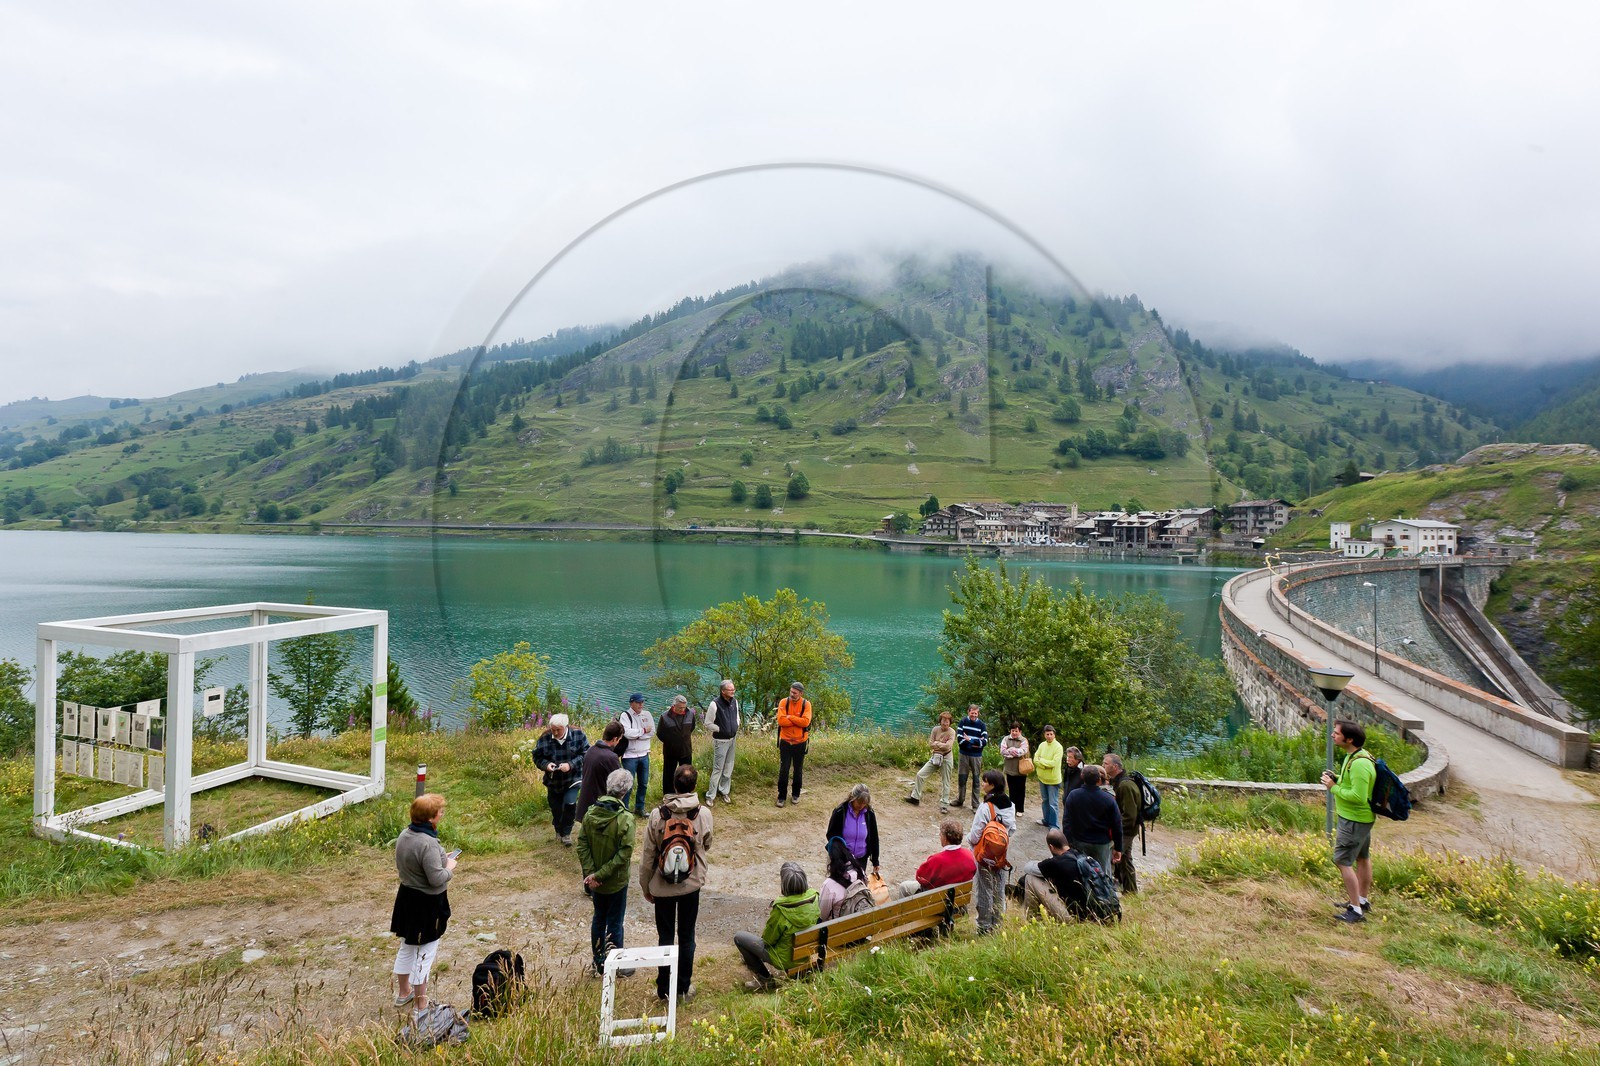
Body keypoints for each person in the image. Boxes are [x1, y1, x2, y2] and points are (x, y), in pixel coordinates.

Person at [639, 764, 713, 1002]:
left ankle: (664, 988)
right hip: (691, 884)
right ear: (694, 786)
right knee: (687, 935)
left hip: (662, 886)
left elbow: (648, 856)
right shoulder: (702, 814)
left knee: (666, 936)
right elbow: (707, 843)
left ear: (674, 784)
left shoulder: (658, 815)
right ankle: (683, 987)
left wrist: (646, 886)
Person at [390, 792, 456, 1016]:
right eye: (440, 812)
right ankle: (421, 1005)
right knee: (425, 952)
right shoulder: (427, 843)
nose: (442, 814)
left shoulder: (404, 835)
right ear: (431, 818)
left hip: (407, 898)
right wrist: (449, 867)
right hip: (427, 904)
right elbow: (436, 878)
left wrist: (439, 860)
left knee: (407, 946)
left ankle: (403, 993)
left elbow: (417, 865)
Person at [577, 769, 636, 975]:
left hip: (596, 883)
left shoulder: (590, 814)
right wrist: (600, 875)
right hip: (616, 882)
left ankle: (599, 962)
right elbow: (624, 854)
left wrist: (591, 874)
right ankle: (616, 965)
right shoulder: (626, 819)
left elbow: (582, 844)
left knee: (598, 919)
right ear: (626, 791)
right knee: (615, 923)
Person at [1321, 719, 1377, 923]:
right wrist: (1336, 777)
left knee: (1342, 861)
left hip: (1354, 820)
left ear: (1349, 739)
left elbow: (1358, 796)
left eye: (1336, 733)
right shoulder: (1354, 757)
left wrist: (1333, 787)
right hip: (1359, 820)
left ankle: (1355, 910)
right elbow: (1352, 784)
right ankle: (1362, 900)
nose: (1333, 735)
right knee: (1363, 858)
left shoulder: (1360, 764)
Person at [733, 861, 819, 991]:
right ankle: (801, 974)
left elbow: (768, 940)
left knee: (739, 937)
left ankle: (765, 979)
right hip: (807, 953)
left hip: (784, 959)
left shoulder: (781, 909)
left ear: (784, 884)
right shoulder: (815, 898)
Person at [965, 769, 1015, 935]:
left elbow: (975, 834)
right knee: (999, 888)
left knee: (985, 889)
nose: (983, 784)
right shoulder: (1010, 805)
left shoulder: (986, 807)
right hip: (1001, 854)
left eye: (985, 781)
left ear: (992, 785)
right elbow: (1012, 829)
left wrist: (969, 841)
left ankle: (984, 925)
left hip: (984, 855)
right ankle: (998, 922)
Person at [533, 713, 589, 845]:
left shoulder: (578, 735)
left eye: (558, 729)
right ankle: (558, 829)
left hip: (573, 778)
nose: (555, 732)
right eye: (553, 729)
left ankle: (567, 834)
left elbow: (586, 754)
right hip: (553, 781)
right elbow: (537, 757)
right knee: (556, 808)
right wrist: (546, 765)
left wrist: (570, 765)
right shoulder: (545, 738)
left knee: (570, 804)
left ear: (566, 726)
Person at [894, 818, 977, 898]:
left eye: (941, 834)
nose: (939, 836)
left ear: (945, 838)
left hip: (935, 900)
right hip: (957, 899)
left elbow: (920, 877)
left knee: (904, 887)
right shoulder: (969, 855)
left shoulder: (936, 860)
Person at [1064, 764, 1123, 876]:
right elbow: (1117, 825)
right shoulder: (1109, 799)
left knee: (1081, 872)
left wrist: (1068, 842)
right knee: (1103, 874)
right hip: (1101, 843)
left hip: (1079, 841)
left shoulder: (1073, 795)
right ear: (1099, 779)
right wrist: (1118, 848)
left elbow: (1067, 821)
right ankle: (1103, 893)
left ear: (1082, 777)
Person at [1018, 829, 1087, 922]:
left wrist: (1045, 862)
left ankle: (1032, 919)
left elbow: (1027, 867)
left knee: (1030, 878)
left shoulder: (1057, 862)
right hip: (1090, 915)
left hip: (1072, 917)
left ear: (1051, 847)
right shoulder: (1081, 855)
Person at [824, 783, 881, 877]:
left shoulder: (869, 814)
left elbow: (874, 838)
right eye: (859, 802)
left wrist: (875, 860)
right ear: (852, 797)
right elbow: (831, 835)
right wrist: (841, 852)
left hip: (861, 860)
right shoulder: (840, 811)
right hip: (842, 860)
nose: (861, 805)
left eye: (864, 803)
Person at [1103, 752, 1140, 895]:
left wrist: (1115, 829)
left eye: (1106, 763)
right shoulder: (1117, 782)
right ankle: (1128, 889)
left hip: (1127, 830)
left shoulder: (1125, 785)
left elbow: (1130, 816)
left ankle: (1127, 891)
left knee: (1117, 857)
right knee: (1124, 859)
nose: (1103, 765)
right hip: (1122, 828)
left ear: (1115, 766)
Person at [905, 710, 957, 812]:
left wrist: (937, 743)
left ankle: (944, 805)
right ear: (940, 721)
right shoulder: (935, 729)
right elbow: (930, 744)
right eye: (943, 721)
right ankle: (915, 797)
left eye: (947, 721)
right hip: (935, 757)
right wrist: (940, 744)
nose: (945, 723)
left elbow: (948, 746)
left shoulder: (952, 732)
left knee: (945, 782)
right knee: (920, 774)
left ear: (950, 722)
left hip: (946, 758)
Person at [576, 720, 624, 823]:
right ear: (615, 738)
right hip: (600, 807)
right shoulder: (611, 757)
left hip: (585, 804)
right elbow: (619, 783)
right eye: (619, 739)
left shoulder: (590, 750)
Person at [774, 681, 812, 808]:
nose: (792, 694)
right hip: (785, 742)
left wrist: (790, 717)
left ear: (801, 693)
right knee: (784, 769)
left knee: (798, 769)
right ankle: (781, 796)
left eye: (795, 693)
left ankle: (796, 794)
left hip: (800, 743)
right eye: (791, 692)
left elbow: (805, 722)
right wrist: (796, 720)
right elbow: (781, 720)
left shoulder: (806, 705)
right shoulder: (783, 702)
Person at [816, 836, 868, 921]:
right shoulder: (860, 872)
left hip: (838, 930)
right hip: (860, 921)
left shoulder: (829, 885)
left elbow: (822, 914)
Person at [619, 694, 655, 817]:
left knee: (643, 783)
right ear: (631, 703)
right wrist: (644, 731)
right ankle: (624, 810)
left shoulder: (647, 714)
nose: (641, 704)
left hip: (644, 754)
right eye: (638, 702)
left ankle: (640, 808)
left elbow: (653, 732)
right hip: (630, 755)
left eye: (642, 702)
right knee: (628, 784)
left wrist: (637, 735)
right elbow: (627, 733)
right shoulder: (625, 716)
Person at [706, 679, 740, 806]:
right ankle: (710, 795)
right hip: (720, 741)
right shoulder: (714, 704)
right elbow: (708, 723)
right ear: (723, 691)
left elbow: (737, 717)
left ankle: (724, 790)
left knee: (728, 767)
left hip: (732, 740)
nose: (733, 692)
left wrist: (736, 725)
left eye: (733, 689)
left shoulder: (734, 702)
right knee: (718, 769)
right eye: (730, 690)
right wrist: (720, 729)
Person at [657, 694, 697, 792]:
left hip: (686, 750)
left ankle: (686, 793)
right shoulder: (665, 716)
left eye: (684, 707)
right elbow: (660, 734)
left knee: (687, 774)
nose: (682, 710)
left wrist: (683, 739)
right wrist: (671, 742)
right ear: (674, 706)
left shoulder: (690, 714)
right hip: (670, 751)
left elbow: (692, 727)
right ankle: (668, 795)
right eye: (680, 707)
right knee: (669, 775)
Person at [954, 704, 988, 808]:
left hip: (976, 756)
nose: (974, 715)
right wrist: (974, 744)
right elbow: (960, 739)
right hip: (964, 754)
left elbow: (985, 741)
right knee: (962, 778)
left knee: (976, 779)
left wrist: (970, 740)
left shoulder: (982, 725)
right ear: (968, 712)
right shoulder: (963, 722)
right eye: (972, 713)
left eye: (975, 713)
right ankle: (960, 800)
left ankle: (975, 804)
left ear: (978, 713)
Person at [1034, 726, 1064, 830]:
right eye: (1047, 734)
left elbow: (1054, 763)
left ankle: (1054, 825)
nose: (1049, 736)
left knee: (1053, 803)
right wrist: (1043, 763)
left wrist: (1041, 761)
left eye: (1051, 734)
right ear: (1044, 735)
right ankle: (1046, 820)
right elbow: (1035, 759)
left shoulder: (1058, 747)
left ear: (1054, 734)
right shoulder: (1042, 745)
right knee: (1045, 800)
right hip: (1042, 778)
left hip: (1053, 780)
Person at [999, 722, 1030, 815]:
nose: (1014, 733)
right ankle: (1012, 808)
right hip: (1009, 768)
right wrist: (1013, 752)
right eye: (1013, 731)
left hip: (1021, 770)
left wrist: (1011, 750)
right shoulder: (1006, 739)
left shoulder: (1023, 740)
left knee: (1020, 789)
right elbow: (1002, 751)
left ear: (1020, 731)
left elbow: (1023, 751)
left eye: (1016, 731)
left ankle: (1020, 809)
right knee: (1011, 789)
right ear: (1010, 731)